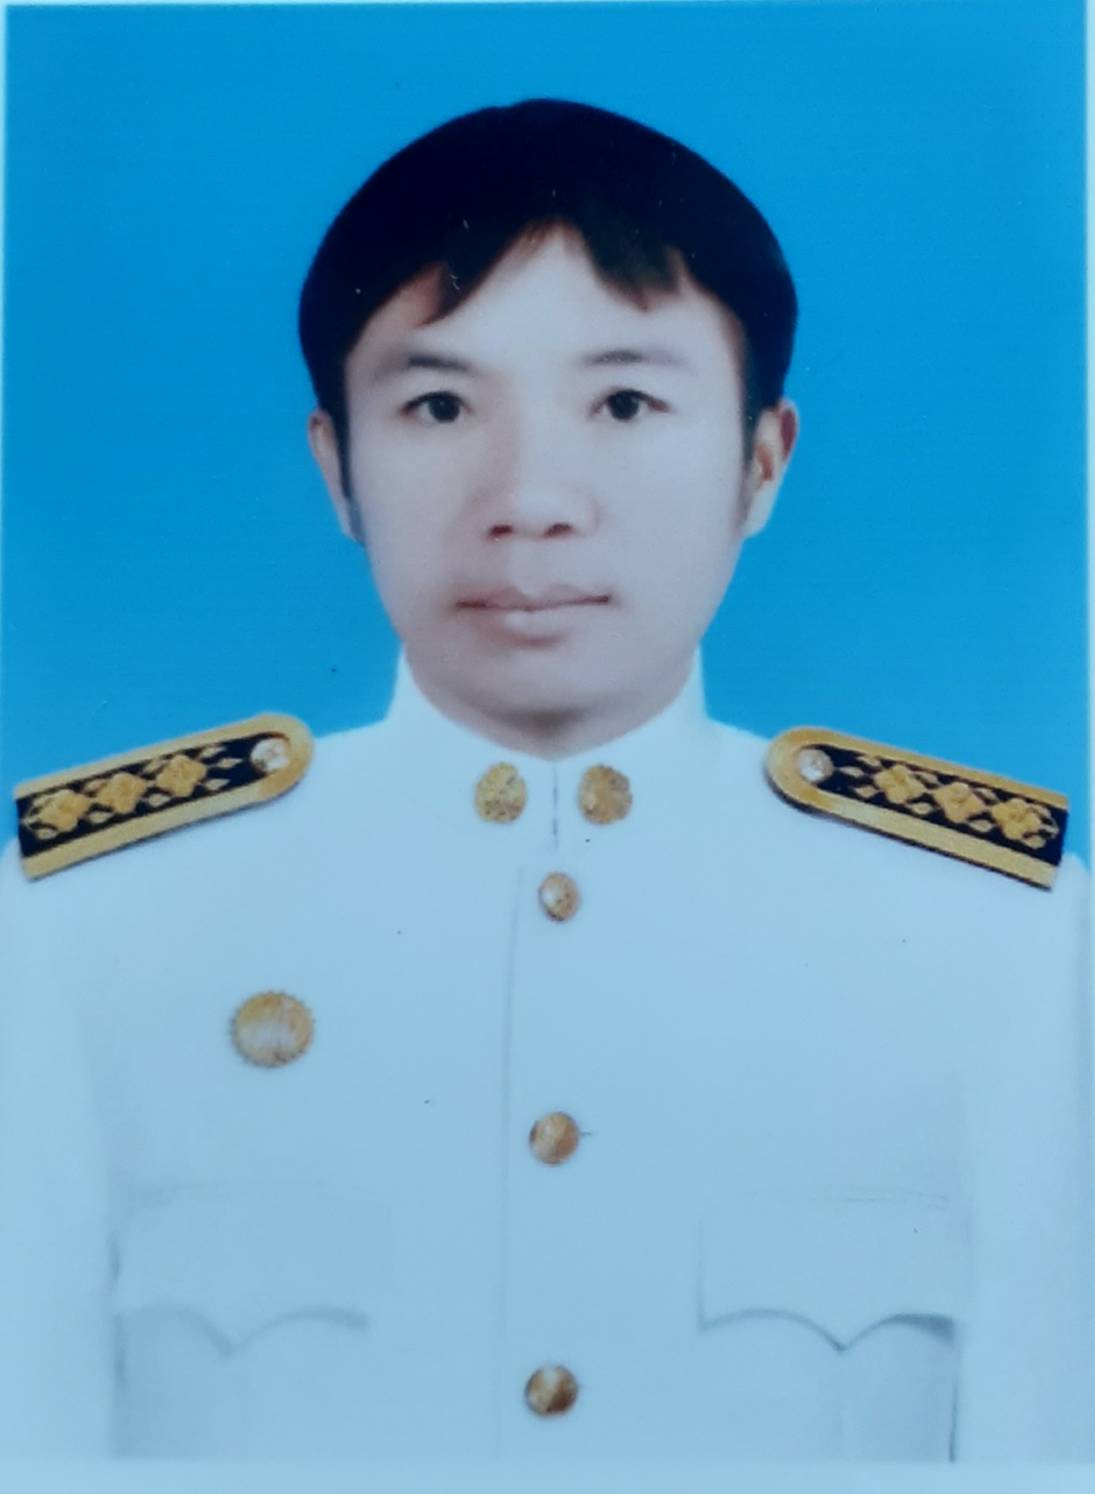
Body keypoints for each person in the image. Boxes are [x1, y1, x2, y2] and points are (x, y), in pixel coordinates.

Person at [0, 97, 1090, 1461]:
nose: (532, 499)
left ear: (761, 462)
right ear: (338, 467)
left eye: (626, 403)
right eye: (440, 405)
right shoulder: (80, 929)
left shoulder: (1010, 944)